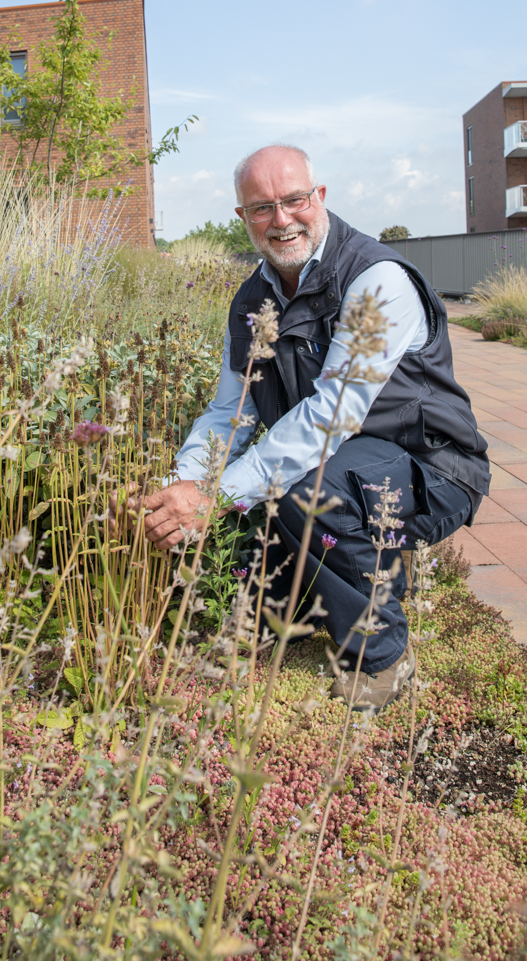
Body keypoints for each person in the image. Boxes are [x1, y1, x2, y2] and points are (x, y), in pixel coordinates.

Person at [135, 144, 490, 709]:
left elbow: (331, 416)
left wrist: (215, 494)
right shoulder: (253, 298)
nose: (280, 220)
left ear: (318, 197)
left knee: (308, 495)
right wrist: (184, 485)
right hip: (340, 466)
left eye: (294, 200)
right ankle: (375, 564)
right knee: (261, 606)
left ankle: (383, 657)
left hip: (431, 466)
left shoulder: (378, 282)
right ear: (242, 218)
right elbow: (233, 412)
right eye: (260, 208)